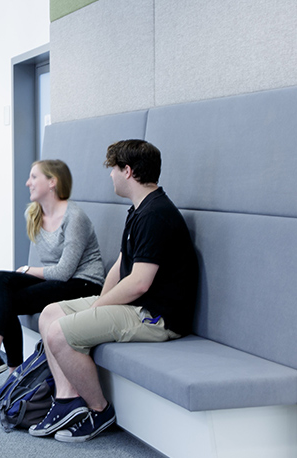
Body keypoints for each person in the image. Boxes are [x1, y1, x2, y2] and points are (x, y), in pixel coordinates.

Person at [29, 139, 198, 442]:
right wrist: (99, 302)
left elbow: (139, 282)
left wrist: (100, 308)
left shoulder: (156, 215)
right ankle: (68, 401)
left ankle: (99, 409)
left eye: (114, 169)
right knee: (49, 314)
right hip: (133, 305)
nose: (110, 175)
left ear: (128, 171)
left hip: (156, 317)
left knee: (59, 333)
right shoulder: (138, 210)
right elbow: (120, 267)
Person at [0, 160, 105, 387]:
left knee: (7, 298)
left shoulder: (74, 217)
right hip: (58, 280)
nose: (27, 182)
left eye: (33, 177)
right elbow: (54, 272)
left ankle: (13, 373)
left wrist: (27, 270)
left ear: (52, 182)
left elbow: (64, 271)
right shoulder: (35, 215)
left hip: (84, 283)